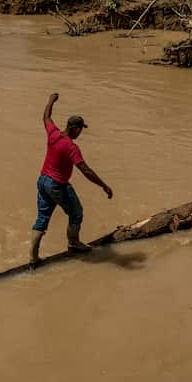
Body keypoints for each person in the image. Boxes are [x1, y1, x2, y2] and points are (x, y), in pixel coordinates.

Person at [30, 92, 113, 266]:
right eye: (81, 129)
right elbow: (85, 170)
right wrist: (104, 186)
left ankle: (33, 258)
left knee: (42, 218)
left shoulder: (53, 134)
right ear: (75, 128)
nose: (80, 133)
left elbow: (46, 117)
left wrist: (51, 100)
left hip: (42, 181)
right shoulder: (71, 147)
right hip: (57, 185)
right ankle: (73, 244)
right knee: (76, 213)